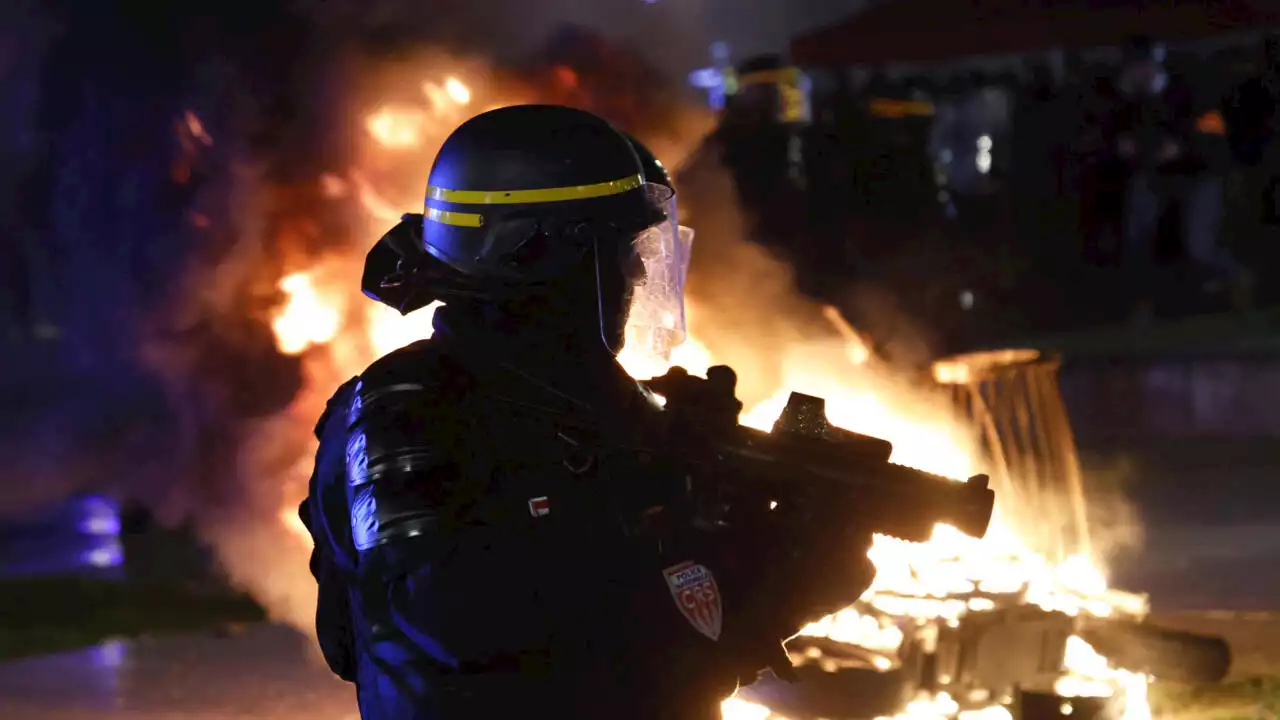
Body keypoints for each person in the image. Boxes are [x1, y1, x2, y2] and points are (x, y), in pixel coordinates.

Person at [299, 104, 878, 720]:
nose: (636, 272)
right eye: (622, 248)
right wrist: (736, 550)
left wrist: (796, 546)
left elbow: (691, 639)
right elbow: (478, 632)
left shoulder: (603, 408)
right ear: (545, 258)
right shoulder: (406, 411)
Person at [1098, 36, 1242, 315]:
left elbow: (1214, 134)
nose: (1139, 74)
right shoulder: (1122, 98)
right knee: (1137, 237)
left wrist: (1183, 147)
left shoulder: (1188, 87)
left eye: (1143, 66)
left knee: (1200, 246)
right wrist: (1120, 142)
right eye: (1132, 69)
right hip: (1155, 176)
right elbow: (1108, 136)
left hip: (1200, 174)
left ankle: (1237, 280)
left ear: (1155, 63)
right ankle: (1143, 303)